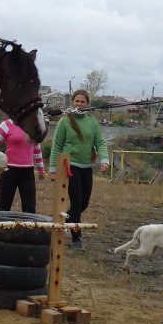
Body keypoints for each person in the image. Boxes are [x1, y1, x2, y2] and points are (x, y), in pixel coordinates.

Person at [49, 89, 110, 250]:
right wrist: (53, 169)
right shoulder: (65, 121)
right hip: (70, 167)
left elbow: (100, 143)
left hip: (86, 167)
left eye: (83, 102)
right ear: (72, 102)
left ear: (87, 104)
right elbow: (57, 146)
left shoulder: (92, 122)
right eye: (77, 101)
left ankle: (60, 224)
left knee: (84, 203)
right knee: (76, 204)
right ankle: (77, 239)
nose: (80, 104)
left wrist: (104, 160)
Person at [0, 117, 46, 213]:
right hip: (9, 172)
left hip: (28, 173)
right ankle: (2, 227)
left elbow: (36, 148)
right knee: (4, 208)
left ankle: (27, 228)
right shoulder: (6, 125)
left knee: (30, 209)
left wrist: (41, 170)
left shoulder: (33, 125)